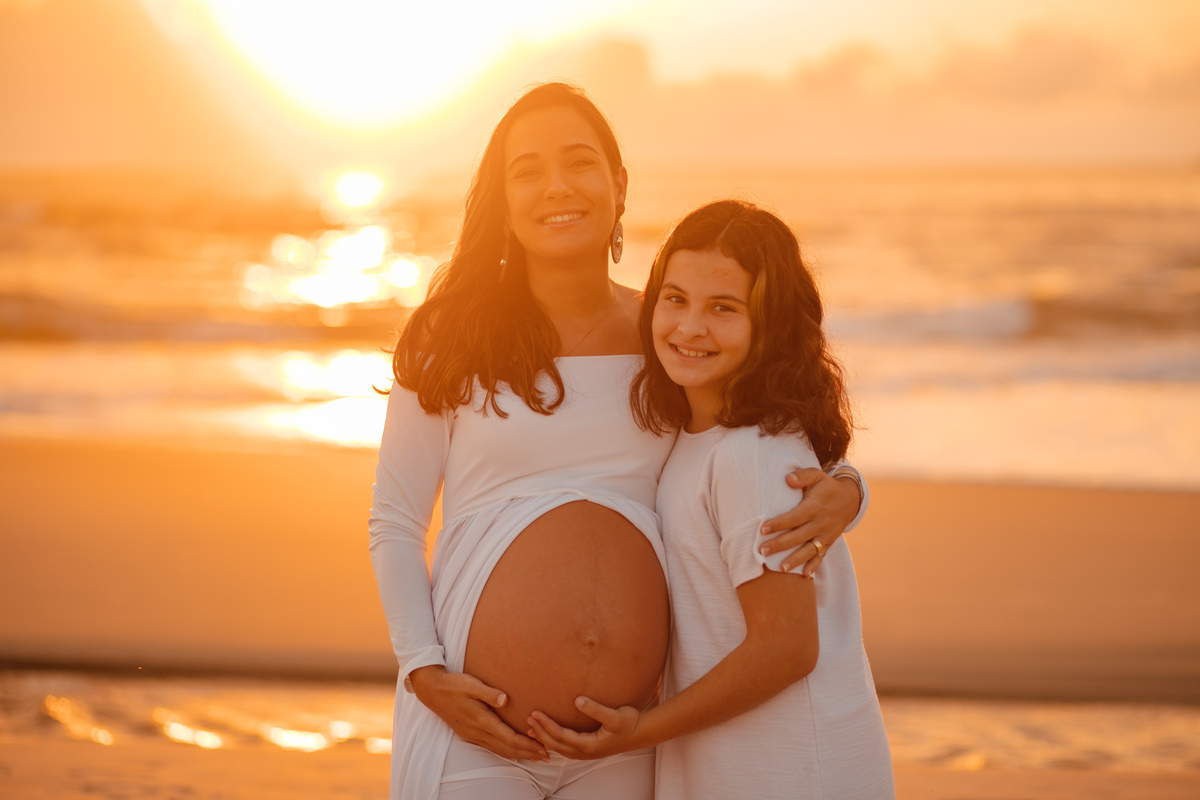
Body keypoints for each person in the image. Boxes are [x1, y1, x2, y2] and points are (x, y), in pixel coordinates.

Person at [369, 84, 868, 800]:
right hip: (474, 727)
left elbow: (764, 429)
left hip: (627, 741)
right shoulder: (451, 340)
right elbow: (394, 520)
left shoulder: (666, 335)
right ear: (502, 200)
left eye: (579, 163)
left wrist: (849, 486)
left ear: (618, 185)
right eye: (527, 171)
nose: (556, 187)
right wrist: (423, 672)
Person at [526, 200, 895, 798]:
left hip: (793, 771)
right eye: (675, 299)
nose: (689, 328)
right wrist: (852, 487)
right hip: (744, 764)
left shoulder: (750, 453)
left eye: (723, 308)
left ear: (769, 325)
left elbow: (786, 649)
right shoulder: (700, 436)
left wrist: (641, 732)